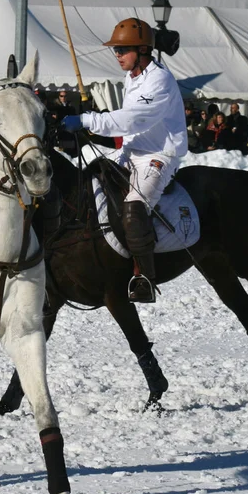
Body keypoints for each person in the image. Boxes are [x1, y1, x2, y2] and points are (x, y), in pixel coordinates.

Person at [61, 17, 187, 303]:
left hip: (159, 155)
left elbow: (133, 119)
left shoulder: (160, 80)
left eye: (123, 50)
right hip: (132, 150)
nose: (117, 55)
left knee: (133, 207)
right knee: (91, 182)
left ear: (143, 49)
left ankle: (144, 276)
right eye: (115, 50)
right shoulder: (131, 78)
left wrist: (86, 119)